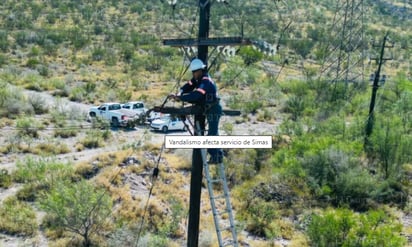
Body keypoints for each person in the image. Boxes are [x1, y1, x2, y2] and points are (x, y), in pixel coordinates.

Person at [170, 58, 223, 164]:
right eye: (193, 72)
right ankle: (217, 154)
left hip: (214, 109)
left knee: (212, 134)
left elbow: (197, 95)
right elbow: (189, 85)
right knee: (213, 133)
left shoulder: (205, 81)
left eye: (194, 72)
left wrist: (181, 98)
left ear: (200, 71)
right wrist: (180, 92)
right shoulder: (197, 79)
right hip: (208, 108)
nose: (193, 74)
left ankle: (216, 156)